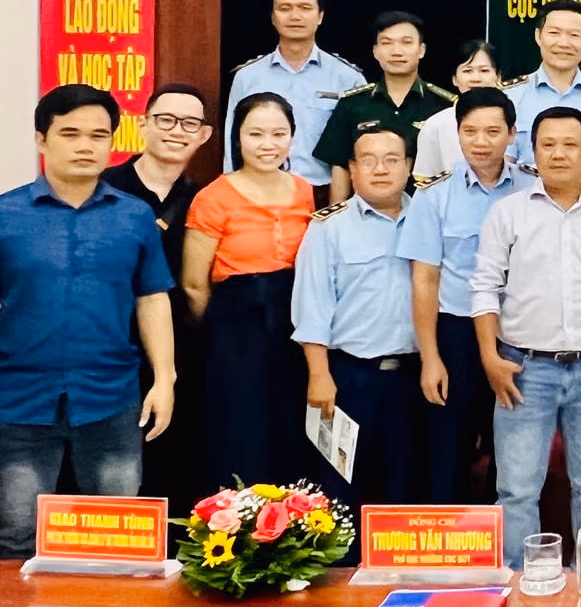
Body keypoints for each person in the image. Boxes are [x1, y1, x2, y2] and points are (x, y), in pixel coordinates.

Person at [0, 86, 176, 559]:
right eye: (70, 134)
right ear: (41, 139)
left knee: (117, 539)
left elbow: (152, 298)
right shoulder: (5, 216)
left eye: (99, 136)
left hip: (110, 396)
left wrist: (164, 379)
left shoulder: (135, 217)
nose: (85, 146)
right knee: (16, 536)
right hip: (17, 398)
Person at [471, 107, 581, 566]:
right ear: (533, 152)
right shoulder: (507, 213)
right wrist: (489, 356)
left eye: (570, 144)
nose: (559, 154)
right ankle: (522, 586)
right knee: (517, 488)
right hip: (523, 369)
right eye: (548, 144)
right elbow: (485, 287)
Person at [396, 87, 537, 503]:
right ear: (457, 133)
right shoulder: (434, 196)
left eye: (492, 131)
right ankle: (451, 541)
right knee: (448, 450)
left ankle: (507, 540)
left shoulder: (533, 187)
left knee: (512, 453)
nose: (480, 142)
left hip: (519, 333)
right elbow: (424, 280)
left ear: (511, 134)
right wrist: (430, 358)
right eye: (470, 131)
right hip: (456, 333)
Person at [184, 92, 314, 488]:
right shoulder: (212, 197)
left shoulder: (304, 190)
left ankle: (290, 520)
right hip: (234, 328)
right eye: (255, 134)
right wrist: (223, 331)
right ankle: (234, 519)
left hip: (292, 324)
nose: (267, 144)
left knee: (289, 424)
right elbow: (194, 284)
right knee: (239, 427)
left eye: (279, 134)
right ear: (237, 137)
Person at [293, 127, 420, 511]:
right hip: (348, 379)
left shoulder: (429, 219)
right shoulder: (328, 227)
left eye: (391, 159)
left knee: (406, 488)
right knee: (338, 490)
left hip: (414, 379)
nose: (381, 169)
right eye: (368, 160)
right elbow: (312, 307)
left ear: (408, 166)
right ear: (352, 168)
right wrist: (319, 375)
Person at [101, 83, 212, 516]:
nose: (176, 131)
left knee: (176, 466)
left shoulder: (204, 199)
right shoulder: (105, 188)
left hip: (181, 352)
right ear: (143, 125)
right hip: (113, 350)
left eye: (189, 123)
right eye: (165, 120)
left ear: (204, 135)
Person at [224, 0, 363, 187]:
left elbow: (361, 145)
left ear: (320, 16)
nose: (295, 16)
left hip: (324, 192)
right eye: (285, 8)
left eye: (305, 8)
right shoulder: (248, 76)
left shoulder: (347, 78)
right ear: (273, 18)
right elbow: (232, 140)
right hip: (259, 191)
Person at [314, 10, 454, 204]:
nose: (397, 51)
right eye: (387, 43)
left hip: (427, 211)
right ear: (375, 51)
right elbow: (340, 166)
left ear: (421, 50)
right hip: (365, 213)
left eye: (406, 42)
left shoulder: (445, 106)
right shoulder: (352, 103)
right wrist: (337, 215)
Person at [503, 1, 581, 159]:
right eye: (554, 33)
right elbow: (504, 164)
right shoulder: (511, 97)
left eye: (574, 35)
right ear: (538, 36)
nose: (563, 43)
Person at [411, 39, 501, 180]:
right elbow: (426, 181)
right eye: (467, 71)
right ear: (455, 79)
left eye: (484, 70)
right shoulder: (435, 125)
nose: (476, 78)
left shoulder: (516, 120)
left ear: (498, 77)